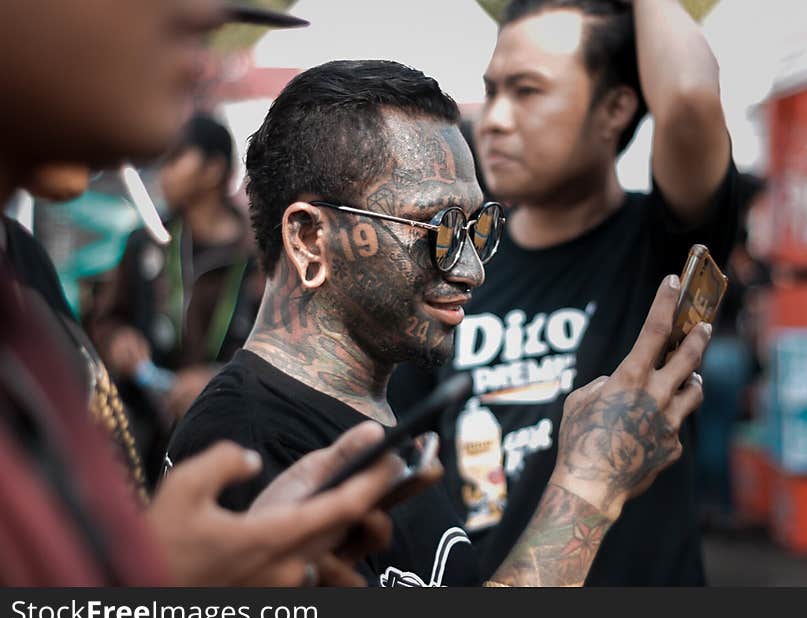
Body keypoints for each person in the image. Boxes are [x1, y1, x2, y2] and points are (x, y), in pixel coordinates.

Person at [167, 58, 711, 587]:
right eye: (437, 229)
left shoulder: (379, 415)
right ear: (310, 238)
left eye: (476, 227)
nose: (472, 270)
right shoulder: (246, 448)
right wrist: (589, 485)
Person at [0, 0, 419, 587]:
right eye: (428, 226)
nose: (206, 13)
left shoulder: (22, 290)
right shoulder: (143, 249)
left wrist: (172, 586)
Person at [389, 0, 746, 585]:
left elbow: (687, 99)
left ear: (614, 109)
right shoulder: (453, 268)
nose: (495, 119)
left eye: (528, 91)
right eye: (493, 90)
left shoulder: (660, 249)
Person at [88, 114, 261, 482]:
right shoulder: (147, 242)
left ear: (213, 169)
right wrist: (118, 339)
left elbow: (278, 348)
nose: (163, 172)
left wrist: (219, 380)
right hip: (145, 442)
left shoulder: (260, 258)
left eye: (176, 158)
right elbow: (104, 319)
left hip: (229, 446)